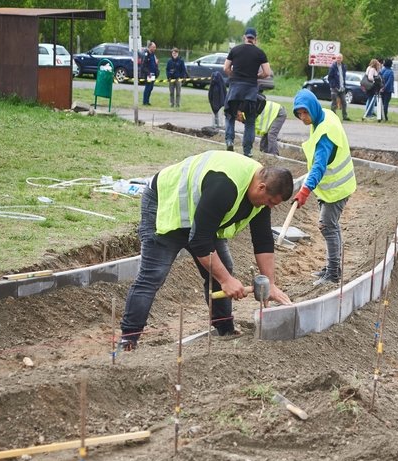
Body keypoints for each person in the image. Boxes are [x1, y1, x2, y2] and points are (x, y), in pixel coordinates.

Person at [118, 151, 294, 351]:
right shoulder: (226, 186)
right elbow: (200, 241)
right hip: (166, 203)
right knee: (153, 274)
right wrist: (226, 280)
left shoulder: (260, 195)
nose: (269, 207)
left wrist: (270, 282)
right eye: (270, 201)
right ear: (261, 187)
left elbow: (262, 240)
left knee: (222, 268)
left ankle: (225, 328)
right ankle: (128, 339)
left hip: (202, 215)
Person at [292, 89, 357, 286]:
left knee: (327, 226)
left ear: (312, 108)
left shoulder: (325, 134)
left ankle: (333, 274)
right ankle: (332, 267)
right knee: (331, 226)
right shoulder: (324, 116)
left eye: (305, 113)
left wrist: (305, 190)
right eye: (299, 114)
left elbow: (319, 166)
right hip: (334, 188)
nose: (303, 118)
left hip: (337, 189)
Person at [224, 27, 272, 157]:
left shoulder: (234, 50)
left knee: (230, 116)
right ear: (255, 39)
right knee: (250, 122)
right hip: (250, 91)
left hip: (235, 89)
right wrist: (256, 76)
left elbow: (226, 68)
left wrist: (234, 76)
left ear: (245, 37)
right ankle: (248, 150)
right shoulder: (260, 53)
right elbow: (267, 72)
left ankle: (229, 141)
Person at [327, 53, 349, 121]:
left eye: (340, 58)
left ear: (342, 59)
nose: (339, 59)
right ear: (336, 58)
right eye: (338, 58)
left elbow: (343, 77)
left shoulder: (343, 66)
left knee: (344, 102)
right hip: (334, 88)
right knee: (334, 102)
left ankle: (345, 116)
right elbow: (330, 77)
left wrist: (343, 86)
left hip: (342, 88)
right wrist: (333, 86)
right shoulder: (333, 67)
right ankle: (333, 117)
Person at [142, 41, 159, 106]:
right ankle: (145, 101)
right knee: (148, 87)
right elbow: (144, 66)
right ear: (150, 47)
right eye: (153, 47)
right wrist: (148, 73)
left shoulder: (153, 55)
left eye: (155, 47)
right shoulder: (147, 54)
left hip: (153, 74)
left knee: (151, 87)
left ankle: (147, 101)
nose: (155, 48)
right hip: (149, 74)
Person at [379, 58, 395, 122]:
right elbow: (389, 82)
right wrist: (384, 88)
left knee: (381, 103)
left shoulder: (382, 71)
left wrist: (381, 88)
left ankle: (380, 115)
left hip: (381, 89)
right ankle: (385, 116)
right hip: (387, 90)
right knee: (386, 104)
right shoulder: (390, 72)